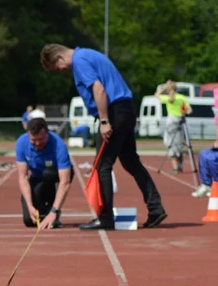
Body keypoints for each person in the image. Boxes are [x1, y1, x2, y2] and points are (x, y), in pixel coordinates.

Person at [39, 44, 167, 230]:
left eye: (57, 68)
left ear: (58, 58)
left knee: (102, 166)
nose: (61, 71)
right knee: (131, 162)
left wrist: (105, 121)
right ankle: (155, 207)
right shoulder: (87, 54)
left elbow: (99, 89)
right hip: (126, 108)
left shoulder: (79, 61)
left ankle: (105, 217)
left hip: (114, 112)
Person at [15, 112, 73, 229]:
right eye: (33, 140)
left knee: (48, 174)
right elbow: (23, 177)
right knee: (28, 220)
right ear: (28, 135)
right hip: (37, 175)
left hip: (55, 174)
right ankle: (43, 211)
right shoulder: (21, 143)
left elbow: (65, 182)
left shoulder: (59, 145)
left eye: (41, 139)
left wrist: (54, 211)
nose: (37, 143)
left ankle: (52, 210)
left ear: (48, 133)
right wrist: (30, 205)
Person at [155, 80, 191, 172]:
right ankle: (180, 165)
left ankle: (175, 166)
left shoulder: (168, 98)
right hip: (181, 121)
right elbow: (189, 110)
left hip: (171, 121)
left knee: (170, 142)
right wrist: (184, 111)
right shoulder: (182, 98)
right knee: (179, 143)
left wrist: (164, 88)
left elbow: (157, 94)